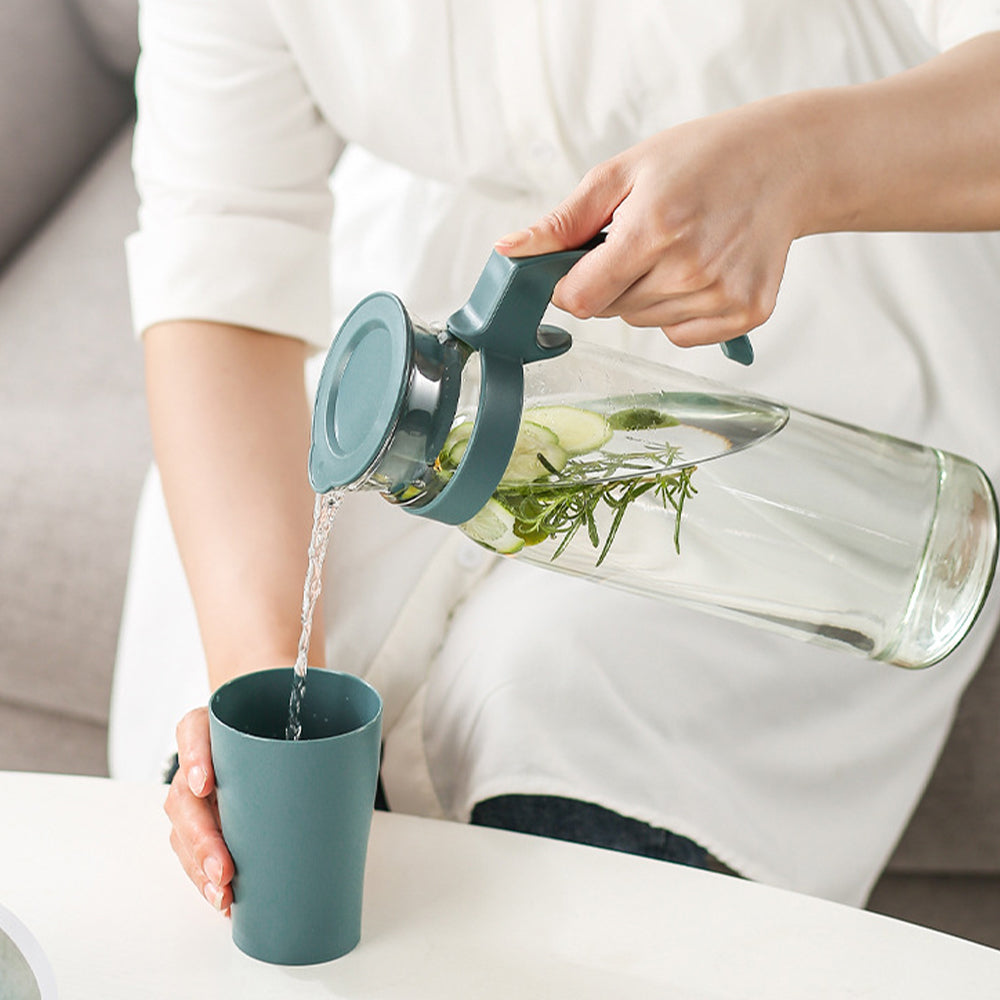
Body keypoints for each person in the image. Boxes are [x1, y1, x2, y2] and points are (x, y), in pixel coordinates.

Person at [110, 0, 1000, 918]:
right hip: (416, 325)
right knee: (231, 834)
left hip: (828, 293)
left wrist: (798, 164)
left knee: (565, 713)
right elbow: (219, 246)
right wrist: (264, 691)